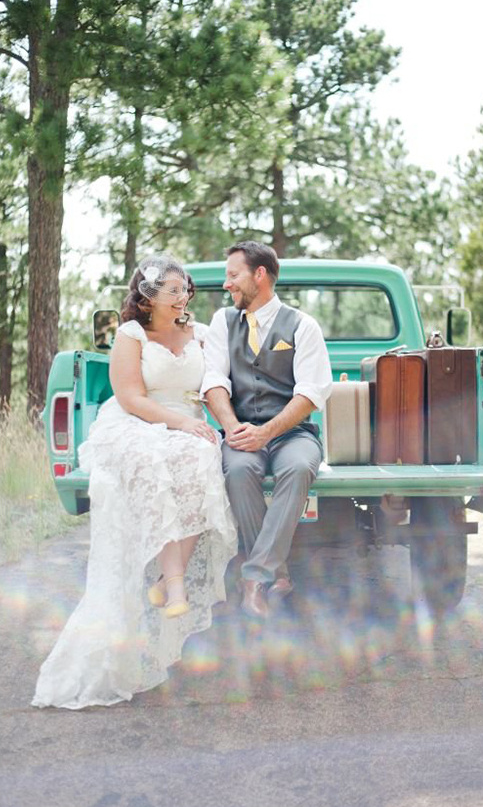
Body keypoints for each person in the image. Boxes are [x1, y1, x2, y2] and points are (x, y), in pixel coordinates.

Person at [32, 256, 237, 710]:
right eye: (173, 290)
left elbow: (214, 385)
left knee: (203, 463)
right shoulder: (131, 335)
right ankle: (176, 583)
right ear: (147, 298)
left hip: (190, 422)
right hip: (136, 421)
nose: (184, 296)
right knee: (153, 461)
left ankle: (167, 579)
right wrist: (178, 424)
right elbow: (129, 397)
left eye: (185, 289)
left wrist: (203, 424)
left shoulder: (201, 333)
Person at [203, 241, 332, 619]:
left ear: (259, 275)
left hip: (293, 433)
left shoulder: (303, 325)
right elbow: (213, 380)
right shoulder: (221, 323)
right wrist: (232, 428)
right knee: (239, 470)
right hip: (241, 430)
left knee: (298, 467)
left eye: (233, 275)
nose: (226, 284)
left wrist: (268, 432)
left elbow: (310, 393)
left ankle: (255, 576)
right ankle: (277, 571)